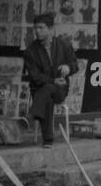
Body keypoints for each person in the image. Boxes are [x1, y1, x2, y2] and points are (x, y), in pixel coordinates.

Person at [23, 13, 79, 148]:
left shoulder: (64, 45)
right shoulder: (30, 51)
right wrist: (53, 81)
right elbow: (35, 76)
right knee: (46, 94)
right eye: (35, 28)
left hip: (60, 90)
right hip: (39, 89)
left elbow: (75, 65)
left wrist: (68, 67)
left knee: (48, 91)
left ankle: (33, 114)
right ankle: (48, 141)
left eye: (41, 28)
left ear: (51, 29)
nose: (37, 31)